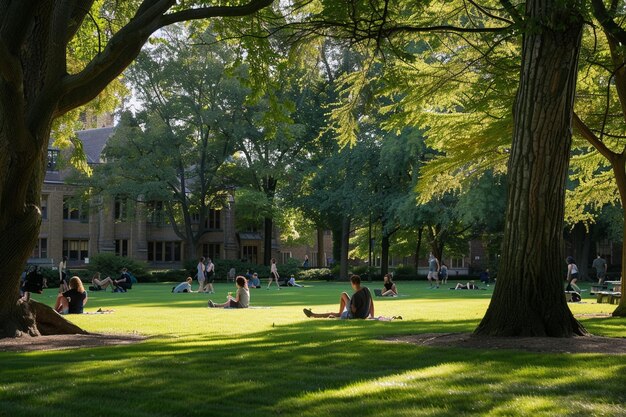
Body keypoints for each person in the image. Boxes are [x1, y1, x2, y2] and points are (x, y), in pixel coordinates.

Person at [302, 275, 374, 319]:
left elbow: (354, 311)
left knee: (332, 313)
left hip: (355, 315)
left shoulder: (356, 295)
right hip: (365, 315)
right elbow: (372, 304)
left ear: (353, 283)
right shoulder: (366, 289)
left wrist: (350, 309)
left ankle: (313, 315)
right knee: (343, 295)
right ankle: (339, 313)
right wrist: (372, 316)